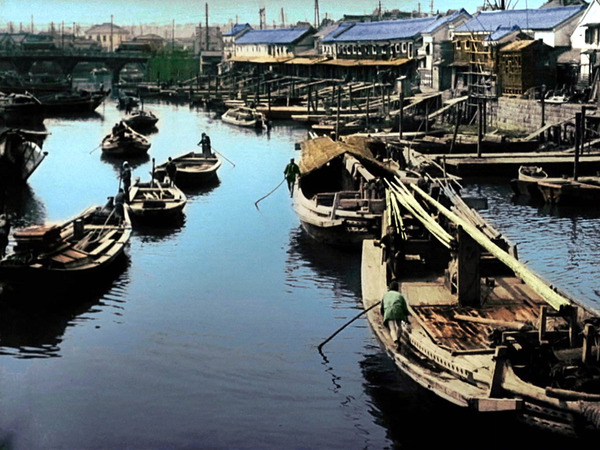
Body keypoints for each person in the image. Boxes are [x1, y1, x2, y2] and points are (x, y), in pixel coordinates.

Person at [380, 280, 409, 346]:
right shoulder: (400, 295)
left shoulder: (385, 295)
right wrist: (406, 319)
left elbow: (382, 308)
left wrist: (383, 316)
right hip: (398, 312)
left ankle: (395, 341)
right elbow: (405, 308)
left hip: (388, 312)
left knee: (392, 328)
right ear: (397, 288)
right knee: (399, 326)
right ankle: (398, 338)